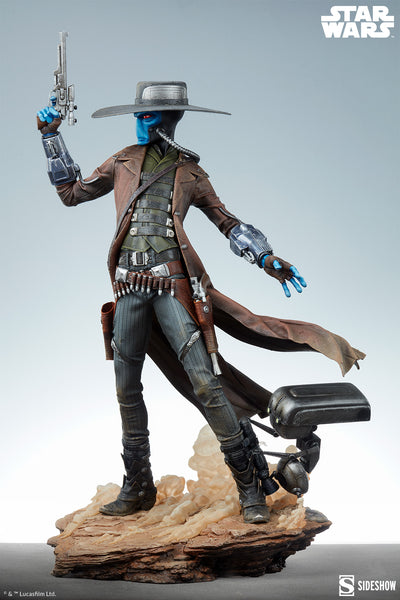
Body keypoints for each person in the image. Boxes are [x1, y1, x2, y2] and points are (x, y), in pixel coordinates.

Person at [37, 81, 364, 524]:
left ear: (169, 119)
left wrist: (266, 257)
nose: (139, 122)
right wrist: (50, 136)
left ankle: (250, 488)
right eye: (137, 115)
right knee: (126, 388)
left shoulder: (190, 173)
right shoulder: (123, 160)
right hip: (129, 288)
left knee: (207, 384)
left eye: (147, 115)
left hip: (173, 287)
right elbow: (71, 193)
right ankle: (138, 487)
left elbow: (227, 222)